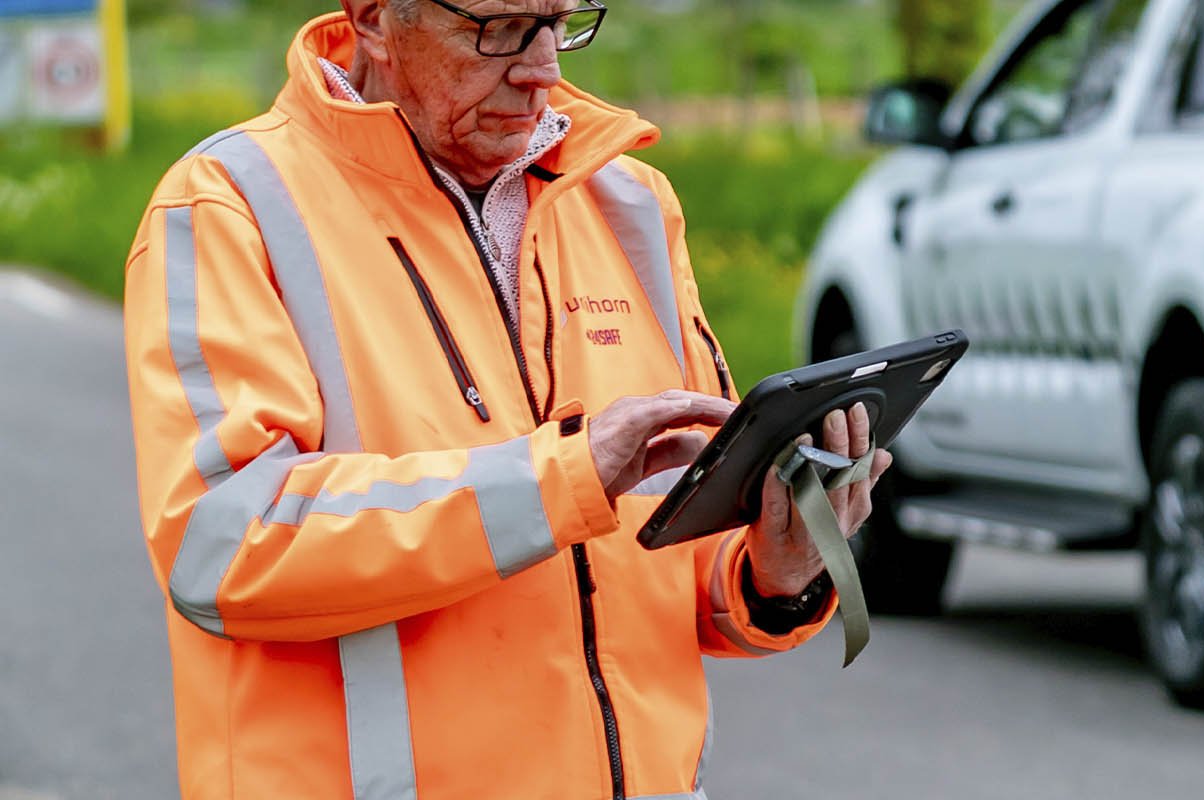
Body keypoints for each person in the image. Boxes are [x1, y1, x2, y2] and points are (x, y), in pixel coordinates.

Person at [121, 1, 891, 797]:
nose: (544, 67)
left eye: (560, 20)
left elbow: (685, 571)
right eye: (497, 28)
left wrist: (779, 566)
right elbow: (223, 547)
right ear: (376, 19)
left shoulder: (628, 201)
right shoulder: (228, 204)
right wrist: (562, 480)